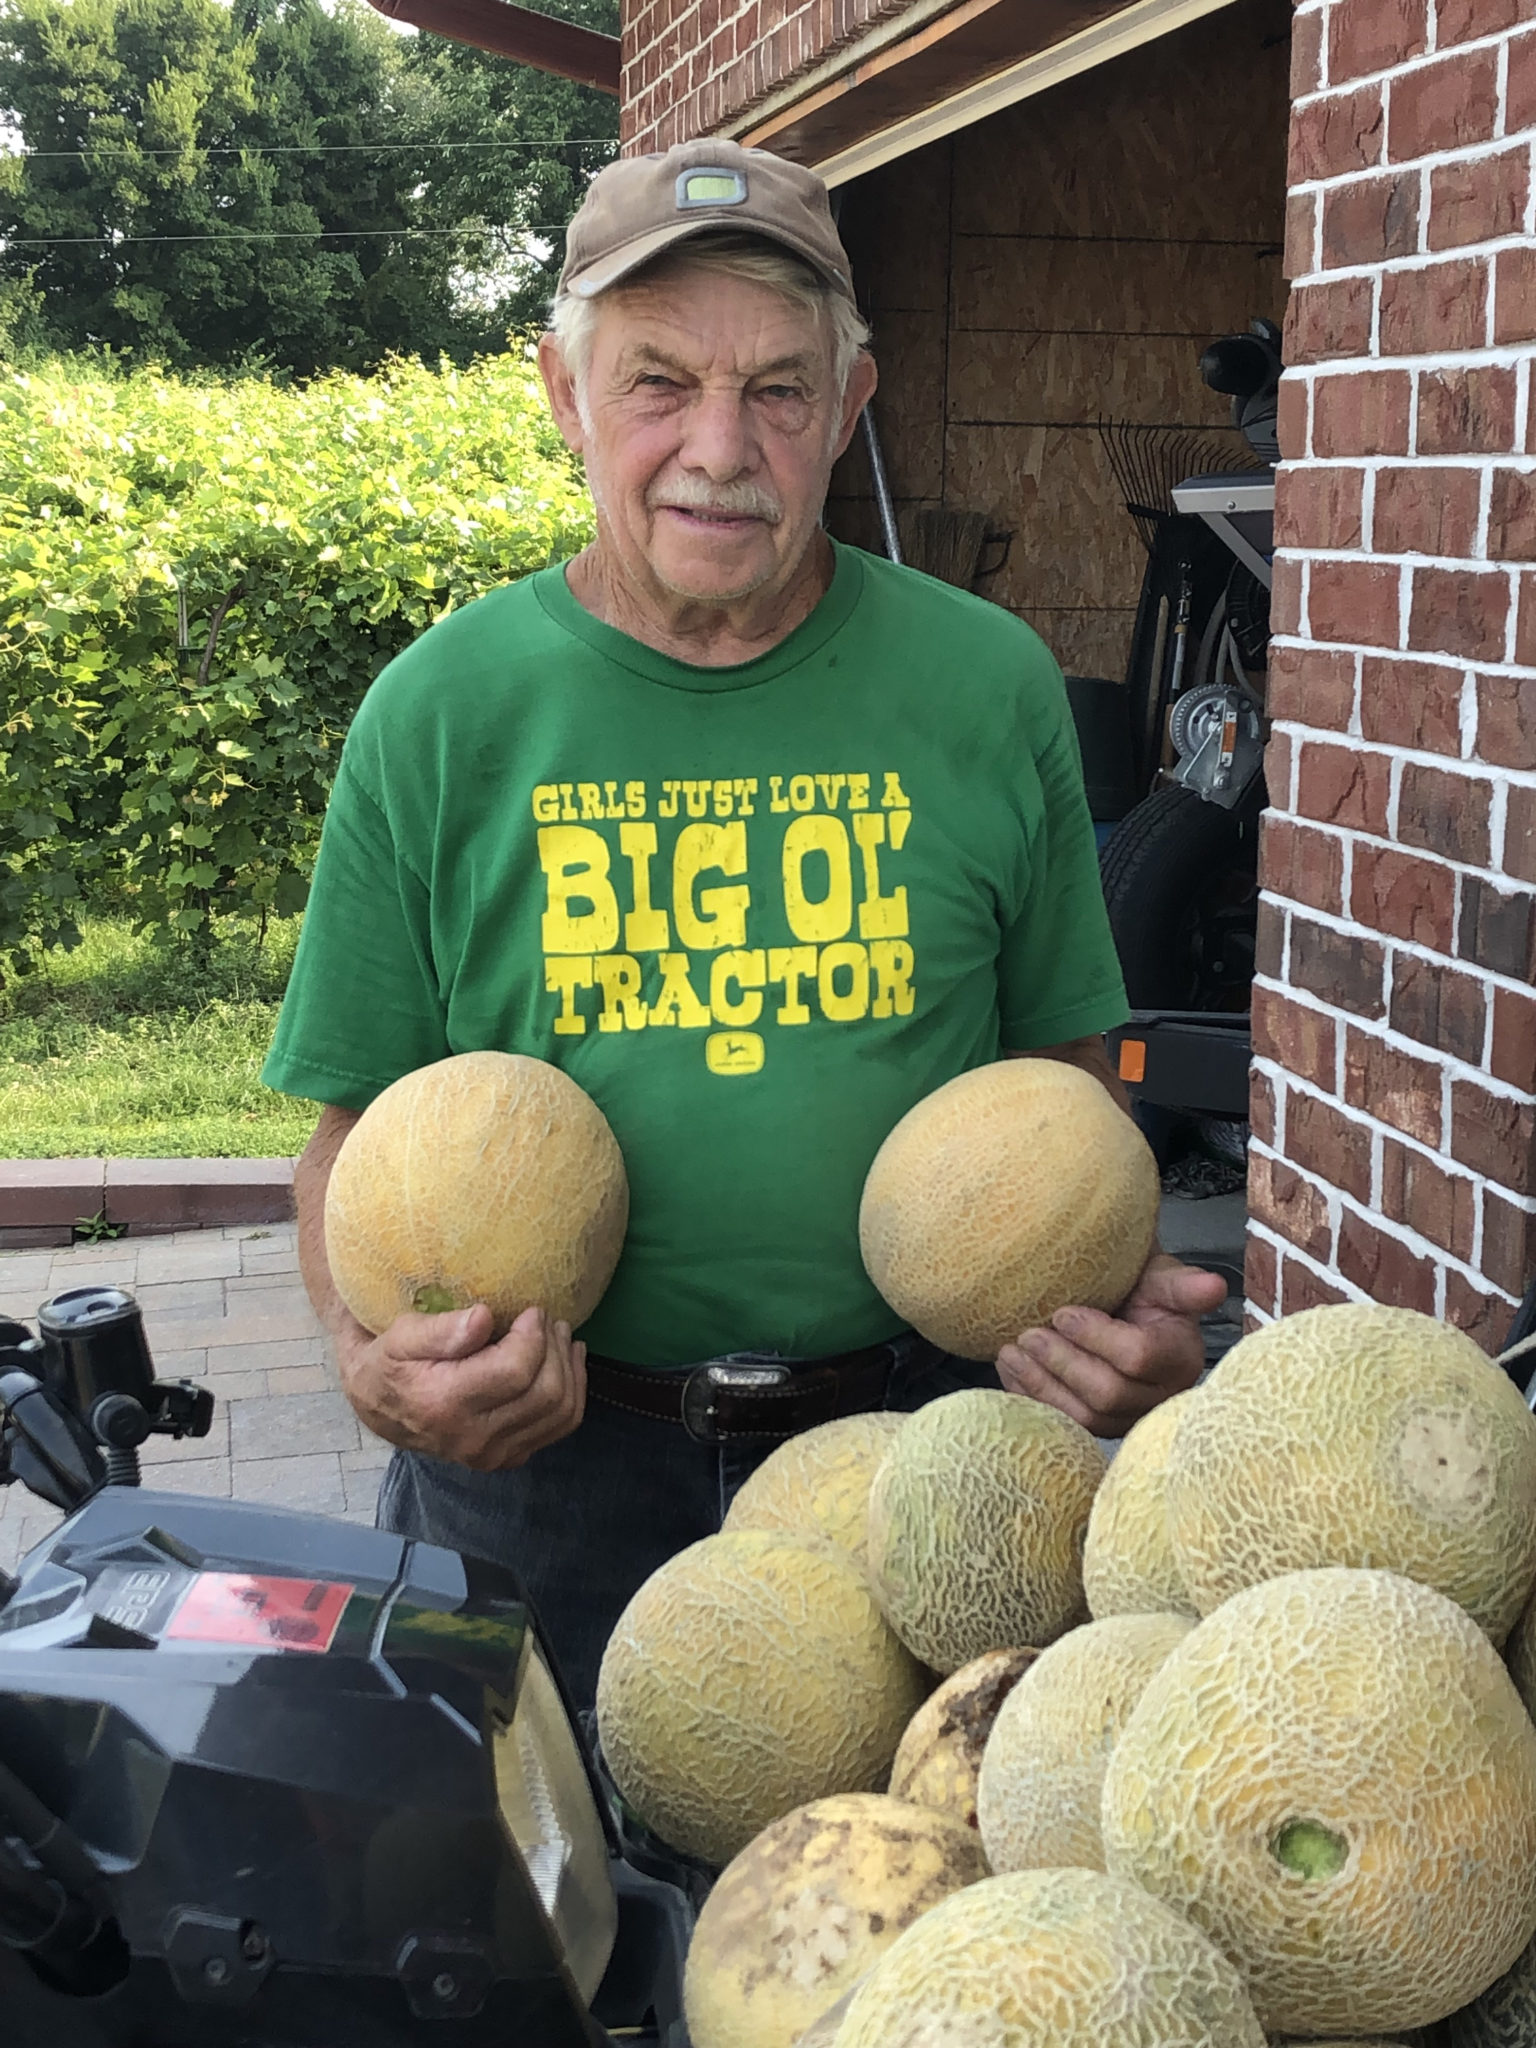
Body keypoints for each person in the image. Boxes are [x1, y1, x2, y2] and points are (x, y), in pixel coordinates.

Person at [263, 138, 1226, 1710]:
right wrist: (371, 1367)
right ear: (565, 396)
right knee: (525, 1934)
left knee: (893, 1931)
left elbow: (1059, 1091)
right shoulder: (440, 713)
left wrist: (1099, 1316)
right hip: (540, 1477)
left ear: (849, 408)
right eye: (657, 382)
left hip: (918, 1471)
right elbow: (348, 1134)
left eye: (778, 390)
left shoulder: (988, 688)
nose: (720, 446)